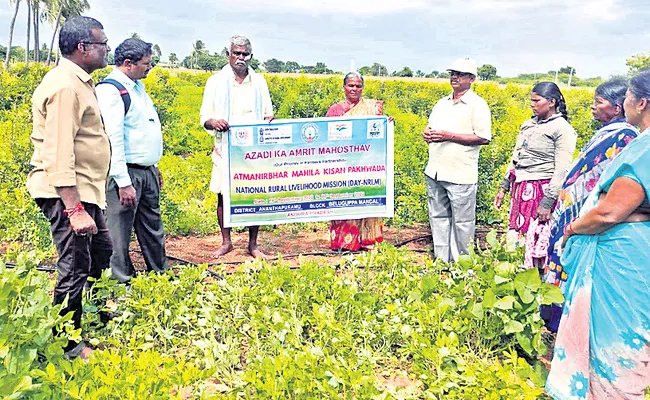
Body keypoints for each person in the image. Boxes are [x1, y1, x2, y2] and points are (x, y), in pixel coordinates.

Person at [545, 70, 650, 400]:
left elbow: (609, 212)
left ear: (640, 103)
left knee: (612, 342)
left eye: (629, 96)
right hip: (638, 252)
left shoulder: (642, 149)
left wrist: (573, 228)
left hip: (620, 260)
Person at [26, 16, 111, 360]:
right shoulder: (65, 86)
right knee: (74, 265)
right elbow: (58, 151)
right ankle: (66, 344)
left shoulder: (80, 82)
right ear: (84, 48)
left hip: (86, 189)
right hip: (66, 193)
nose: (108, 48)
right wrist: (74, 209)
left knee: (101, 252)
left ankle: (89, 318)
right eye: (103, 43)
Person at [540, 79, 639, 332]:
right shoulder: (608, 132)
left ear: (618, 107)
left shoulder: (625, 136)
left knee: (571, 262)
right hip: (573, 209)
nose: (593, 107)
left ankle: (563, 324)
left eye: (599, 102)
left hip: (589, 213)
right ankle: (552, 321)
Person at [96, 38, 168, 283]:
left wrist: (152, 166)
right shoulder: (112, 90)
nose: (150, 67)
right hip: (126, 174)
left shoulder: (137, 87)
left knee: (152, 227)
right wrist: (123, 181)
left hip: (145, 171)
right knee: (119, 231)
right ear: (128, 63)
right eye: (146, 63)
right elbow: (113, 138)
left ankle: (159, 274)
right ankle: (121, 281)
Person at [199, 35, 273, 259]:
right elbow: (205, 116)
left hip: (253, 151)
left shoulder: (259, 82)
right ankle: (226, 242)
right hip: (226, 148)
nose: (241, 58)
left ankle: (253, 245)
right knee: (223, 195)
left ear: (251, 56)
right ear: (228, 55)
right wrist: (214, 123)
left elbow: (268, 114)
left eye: (245, 54)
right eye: (236, 53)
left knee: (255, 194)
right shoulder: (215, 81)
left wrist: (268, 123)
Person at [494, 82, 577, 269]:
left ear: (551, 102)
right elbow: (516, 157)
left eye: (536, 101)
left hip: (541, 192)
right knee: (517, 236)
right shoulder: (528, 125)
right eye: (531, 100)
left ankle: (536, 283)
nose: (532, 104)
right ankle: (515, 275)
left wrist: (547, 203)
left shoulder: (562, 129)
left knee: (537, 240)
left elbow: (562, 169)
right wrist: (504, 186)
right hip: (521, 189)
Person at [423, 58, 491, 263]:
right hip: (435, 169)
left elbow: (483, 137)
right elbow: (431, 128)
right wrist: (427, 134)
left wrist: (447, 136)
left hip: (460, 172)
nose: (454, 77)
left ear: (471, 79)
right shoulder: (441, 104)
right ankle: (442, 261)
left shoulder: (477, 105)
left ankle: (462, 264)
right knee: (438, 217)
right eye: (452, 73)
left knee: (463, 222)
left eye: (460, 74)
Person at [325, 72, 385, 251]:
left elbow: (377, 132)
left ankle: (368, 241)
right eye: (351, 85)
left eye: (358, 86)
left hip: (366, 164)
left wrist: (386, 123)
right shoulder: (335, 110)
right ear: (344, 87)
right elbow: (327, 137)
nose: (354, 89)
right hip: (343, 164)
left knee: (366, 197)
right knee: (345, 199)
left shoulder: (371, 108)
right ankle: (345, 243)